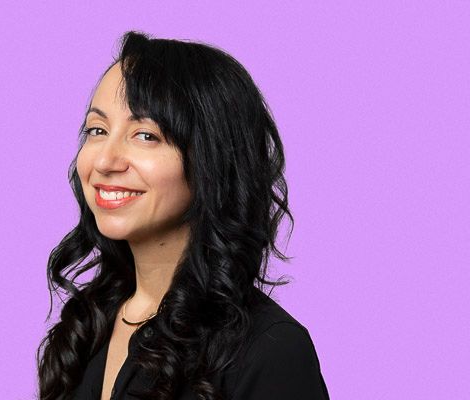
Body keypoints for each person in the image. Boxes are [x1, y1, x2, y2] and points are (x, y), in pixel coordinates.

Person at [36, 31, 330, 400]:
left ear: (212, 159)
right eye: (97, 130)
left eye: (146, 135)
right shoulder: (85, 329)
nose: (105, 161)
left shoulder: (269, 350)